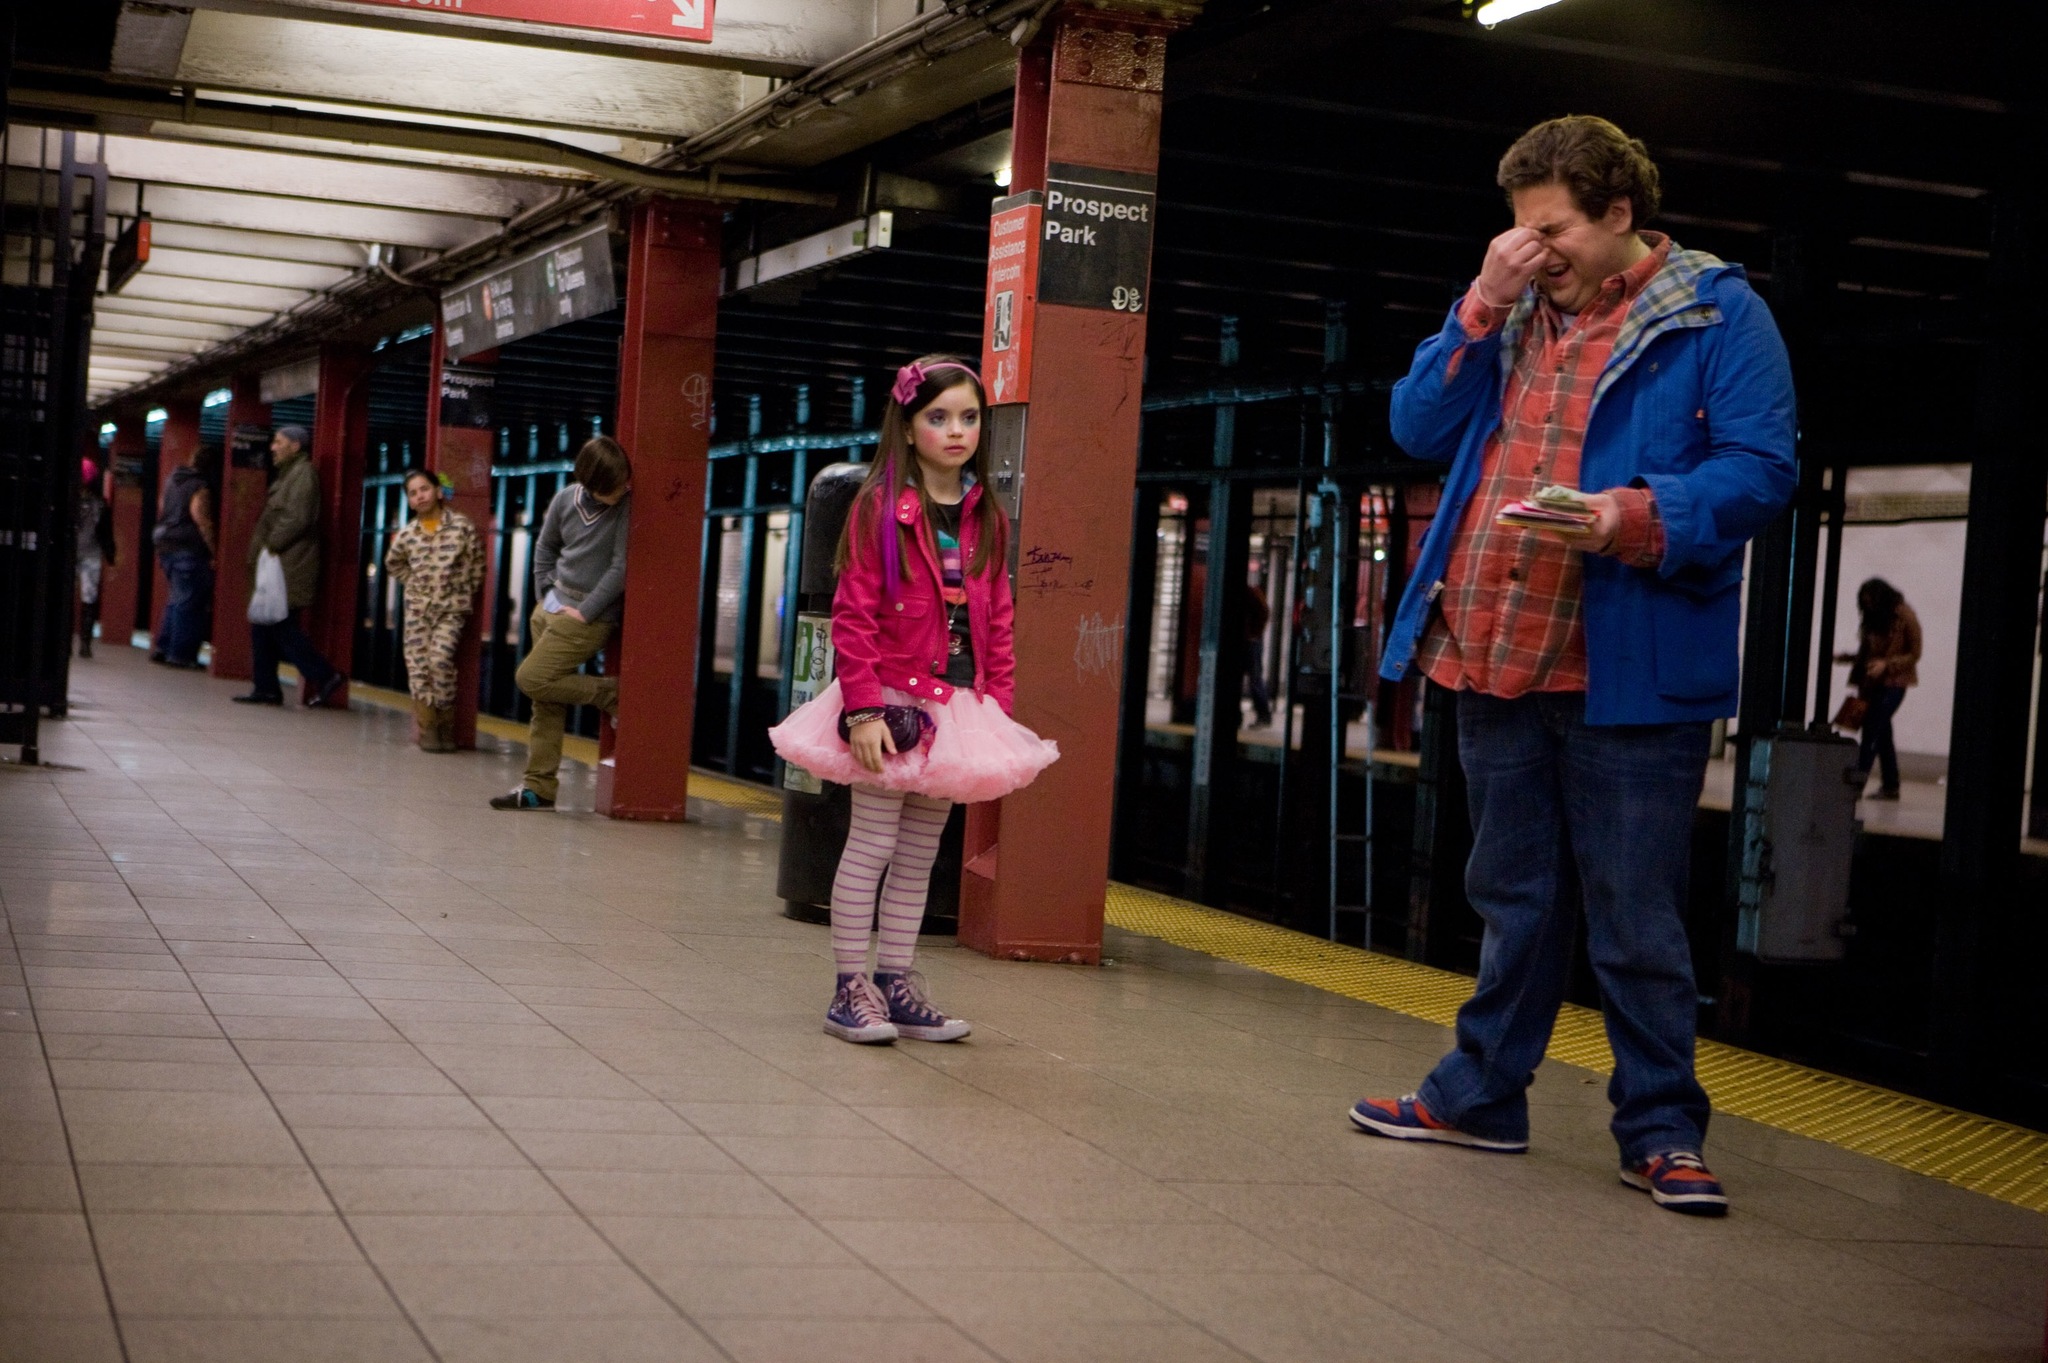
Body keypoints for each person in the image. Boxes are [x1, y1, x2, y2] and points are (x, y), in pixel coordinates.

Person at [1348, 116, 1796, 1217]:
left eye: (1547, 229)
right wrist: (1478, 302)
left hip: (1624, 666)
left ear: (1617, 216)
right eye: (1515, 228)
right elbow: (1415, 423)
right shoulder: (1508, 313)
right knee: (1510, 896)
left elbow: (1760, 467)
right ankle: (1481, 1097)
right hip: (1489, 650)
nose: (1527, 248)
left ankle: (1659, 1131)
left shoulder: (1717, 316)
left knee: (1633, 913)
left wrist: (1634, 516)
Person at [768, 355, 1059, 1046]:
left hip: (958, 706)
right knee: (870, 842)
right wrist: (862, 709)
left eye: (968, 417)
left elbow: (999, 620)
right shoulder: (878, 508)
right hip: (893, 698)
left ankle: (895, 982)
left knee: (922, 851)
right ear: (906, 426)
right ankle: (849, 988)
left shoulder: (989, 514)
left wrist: (997, 711)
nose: (955, 430)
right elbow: (853, 615)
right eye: (938, 417)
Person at [490, 438, 631, 810]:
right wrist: (544, 593)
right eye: (616, 484)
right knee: (545, 700)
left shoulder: (625, 508)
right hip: (552, 607)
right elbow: (546, 546)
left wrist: (585, 611)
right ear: (591, 482)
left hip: (588, 617)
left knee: (531, 678)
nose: (625, 488)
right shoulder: (566, 499)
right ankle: (539, 788)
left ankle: (609, 693)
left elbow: (620, 568)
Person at [235, 425, 344, 708]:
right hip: (278, 564)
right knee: (263, 624)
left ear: (296, 446)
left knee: (281, 625)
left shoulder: (303, 475)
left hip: (288, 565)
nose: (272, 447)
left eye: (279, 442)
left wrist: (270, 545)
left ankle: (326, 674)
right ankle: (266, 687)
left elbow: (298, 518)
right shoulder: (288, 476)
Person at [384, 469, 484, 753]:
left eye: (424, 489)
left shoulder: (461, 527)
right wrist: (413, 584)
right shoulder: (407, 535)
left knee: (440, 661)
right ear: (409, 501)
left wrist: (464, 591)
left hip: (451, 610)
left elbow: (477, 564)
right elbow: (393, 564)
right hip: (418, 611)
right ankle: (428, 730)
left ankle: (445, 724)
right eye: (413, 493)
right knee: (418, 668)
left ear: (439, 492)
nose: (420, 496)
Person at [1836, 577, 1920, 801]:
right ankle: (1891, 786)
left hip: (1894, 683)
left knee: (1873, 728)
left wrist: (1888, 665)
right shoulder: (1873, 619)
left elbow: (1915, 653)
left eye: (1871, 601)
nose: (1868, 606)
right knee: (1882, 733)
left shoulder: (1904, 615)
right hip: (1871, 684)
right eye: (1865, 603)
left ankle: (1856, 785)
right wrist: (1847, 658)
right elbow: (1869, 654)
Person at [151, 444, 218, 670]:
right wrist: (214, 550)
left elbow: (162, 506)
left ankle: (163, 646)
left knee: (176, 599)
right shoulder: (200, 485)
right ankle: (181, 654)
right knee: (189, 603)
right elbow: (201, 518)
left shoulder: (172, 480)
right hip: (188, 548)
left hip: (166, 545)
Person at [74, 460, 117, 659]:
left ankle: (71, 642)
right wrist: (111, 555)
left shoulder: (70, 499)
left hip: (76, 554)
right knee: (88, 600)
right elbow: (106, 532)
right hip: (91, 554)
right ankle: (85, 643)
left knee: (69, 598)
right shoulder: (100, 504)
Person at [1244, 582, 1273, 728]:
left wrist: (1253, 633)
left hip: (1250, 641)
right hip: (1249, 639)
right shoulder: (1251, 592)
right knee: (1255, 679)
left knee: (1255, 679)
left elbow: (1264, 611)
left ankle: (1264, 715)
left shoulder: (1250, 593)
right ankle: (1263, 715)